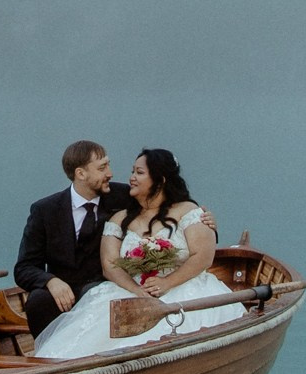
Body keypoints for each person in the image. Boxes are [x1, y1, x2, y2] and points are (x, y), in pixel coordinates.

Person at [31, 145, 244, 362]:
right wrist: (136, 289)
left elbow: (203, 256)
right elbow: (110, 264)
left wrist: (167, 282)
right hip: (132, 289)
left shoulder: (187, 211)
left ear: (160, 180)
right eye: (132, 171)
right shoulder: (120, 217)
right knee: (87, 335)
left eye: (139, 173)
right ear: (80, 173)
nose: (131, 177)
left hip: (184, 286)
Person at [14, 140, 128, 339]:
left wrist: (197, 214)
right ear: (80, 174)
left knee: (96, 295)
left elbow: (166, 202)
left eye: (108, 165)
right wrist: (51, 281)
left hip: (105, 287)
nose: (110, 173)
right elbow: (24, 267)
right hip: (64, 291)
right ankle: (49, 359)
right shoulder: (45, 210)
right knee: (39, 300)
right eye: (102, 168)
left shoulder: (124, 196)